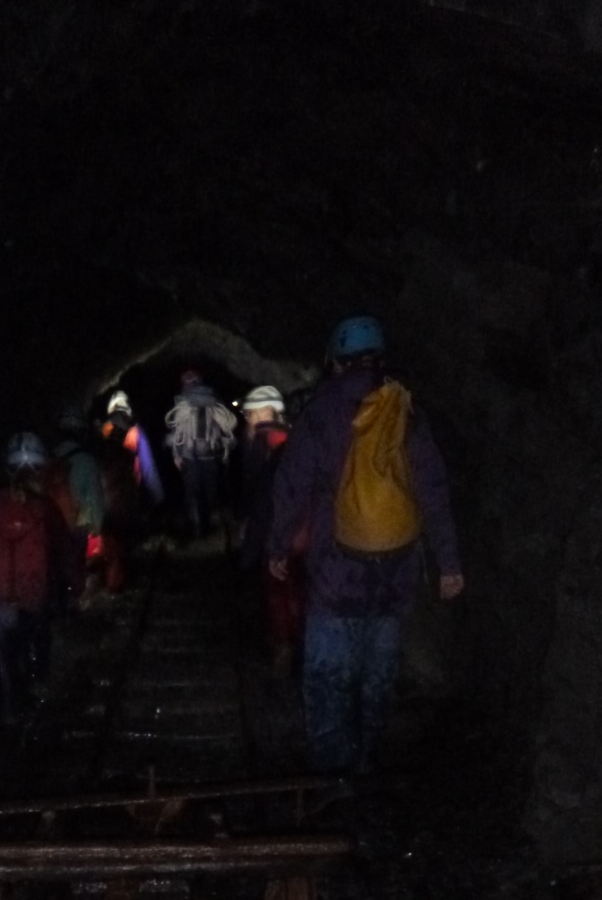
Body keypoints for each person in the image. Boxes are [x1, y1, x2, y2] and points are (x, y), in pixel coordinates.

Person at [267, 316, 464, 776]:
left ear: (336, 362)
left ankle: (333, 775)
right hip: (395, 575)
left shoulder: (321, 413)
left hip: (336, 574)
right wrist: (449, 562)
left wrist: (277, 547)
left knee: (328, 677)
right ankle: (369, 761)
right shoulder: (405, 411)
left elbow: (292, 487)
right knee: (377, 676)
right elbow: (433, 490)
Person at [0, 431, 68, 719]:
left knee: (4, 656)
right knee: (34, 642)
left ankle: (8, 711)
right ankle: (34, 693)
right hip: (33, 594)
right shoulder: (44, 509)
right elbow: (61, 545)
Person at [237, 385, 302, 678]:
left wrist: (251, 548)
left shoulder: (263, 444)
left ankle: (283, 649)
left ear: (266, 412)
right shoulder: (299, 438)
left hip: (277, 535)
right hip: (305, 535)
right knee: (297, 591)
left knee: (277, 594)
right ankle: (297, 646)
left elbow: (261, 499)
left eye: (251, 413)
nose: (248, 419)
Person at [98, 390, 161, 590]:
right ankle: (125, 577)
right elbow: (147, 467)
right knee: (128, 536)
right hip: (131, 489)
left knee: (112, 538)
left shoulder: (103, 430)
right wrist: (156, 496)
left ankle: (113, 579)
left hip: (106, 491)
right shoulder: (136, 432)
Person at [164, 369, 237, 539]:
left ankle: (197, 529)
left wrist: (175, 454)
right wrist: (226, 452)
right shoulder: (214, 401)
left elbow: (176, 433)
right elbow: (226, 429)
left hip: (189, 457)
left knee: (192, 494)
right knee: (211, 491)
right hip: (212, 456)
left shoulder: (182, 403)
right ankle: (214, 528)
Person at [54, 409, 107, 602]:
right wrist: (99, 527)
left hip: (52, 521)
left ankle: (60, 602)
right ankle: (73, 603)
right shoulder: (87, 461)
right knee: (75, 568)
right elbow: (94, 496)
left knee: (57, 567)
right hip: (77, 524)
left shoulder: (50, 457)